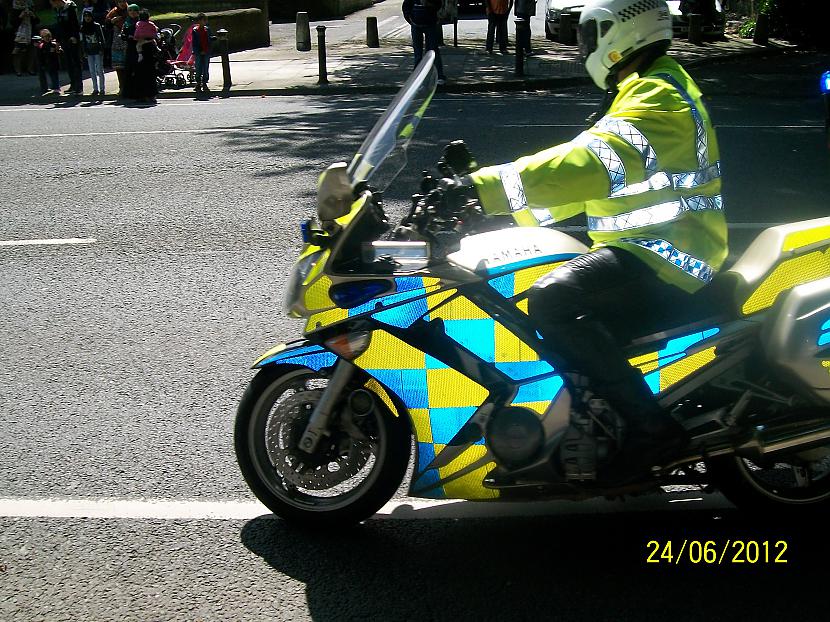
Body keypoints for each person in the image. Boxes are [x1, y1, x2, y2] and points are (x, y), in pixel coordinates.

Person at [459, 0, 727, 481]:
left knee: (552, 299)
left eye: (590, 35)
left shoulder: (657, 97)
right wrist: (485, 209)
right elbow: (586, 186)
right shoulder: (644, 87)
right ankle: (597, 414)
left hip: (669, 255)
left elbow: (593, 165)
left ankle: (651, 428)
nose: (584, 47)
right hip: (648, 247)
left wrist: (486, 187)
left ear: (622, 31)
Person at [402, 0, 446, 84]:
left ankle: (439, 75)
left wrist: (429, 4)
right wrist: (410, 19)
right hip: (416, 25)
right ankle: (417, 77)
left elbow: (438, 5)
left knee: (433, 50)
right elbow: (406, 6)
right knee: (418, 52)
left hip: (430, 24)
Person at [51, 0, 84, 94]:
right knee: (68, 63)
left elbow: (75, 23)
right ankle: (73, 85)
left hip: (72, 38)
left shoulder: (70, 7)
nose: (52, 4)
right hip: (63, 39)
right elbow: (58, 26)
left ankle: (79, 87)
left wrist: (74, 36)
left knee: (76, 62)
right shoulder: (58, 10)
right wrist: (57, 41)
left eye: (53, 2)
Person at [131, 9, 157, 102]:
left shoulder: (138, 24)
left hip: (142, 46)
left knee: (141, 74)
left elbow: (136, 36)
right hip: (150, 48)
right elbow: (155, 33)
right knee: (151, 73)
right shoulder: (151, 24)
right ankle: (152, 95)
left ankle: (143, 95)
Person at [80, 8, 106, 95]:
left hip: (97, 50)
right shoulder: (83, 27)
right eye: (85, 16)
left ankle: (102, 88)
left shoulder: (96, 26)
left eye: (88, 16)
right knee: (92, 71)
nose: (87, 18)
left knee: (99, 70)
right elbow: (83, 40)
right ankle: (95, 89)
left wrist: (102, 49)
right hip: (89, 51)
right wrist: (84, 51)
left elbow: (102, 38)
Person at [11, 1, 39, 77]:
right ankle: (18, 70)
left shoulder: (29, 7)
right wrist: (20, 16)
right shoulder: (14, 9)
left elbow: (37, 21)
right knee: (18, 52)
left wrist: (33, 15)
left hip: (30, 33)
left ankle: (30, 69)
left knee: (32, 51)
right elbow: (13, 23)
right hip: (19, 34)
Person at [190, 13, 215, 93]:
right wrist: (198, 51)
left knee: (205, 68)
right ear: (200, 21)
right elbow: (194, 42)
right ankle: (198, 83)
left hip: (206, 51)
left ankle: (204, 83)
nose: (205, 22)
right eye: (204, 20)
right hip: (198, 52)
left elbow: (209, 38)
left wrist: (212, 39)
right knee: (198, 68)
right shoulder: (195, 30)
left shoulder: (207, 29)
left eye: (206, 20)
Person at [36, 28, 62, 94]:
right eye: (44, 37)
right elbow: (40, 56)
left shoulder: (53, 44)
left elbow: (59, 51)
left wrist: (58, 50)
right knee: (50, 75)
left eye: (48, 36)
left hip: (54, 62)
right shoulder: (41, 46)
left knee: (54, 75)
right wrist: (42, 64)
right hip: (46, 63)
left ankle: (56, 87)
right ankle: (51, 86)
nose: (47, 38)